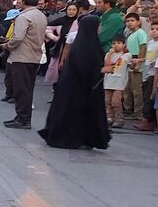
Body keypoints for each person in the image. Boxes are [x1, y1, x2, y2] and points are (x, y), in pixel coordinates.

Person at [37, 13, 110, 149]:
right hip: (82, 89)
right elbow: (88, 68)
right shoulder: (89, 47)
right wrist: (102, 70)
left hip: (73, 88)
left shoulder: (81, 44)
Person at [2, 0, 48, 129]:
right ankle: (23, 116)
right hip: (34, 55)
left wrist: (7, 45)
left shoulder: (24, 17)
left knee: (21, 89)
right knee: (28, 88)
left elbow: (17, 37)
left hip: (22, 56)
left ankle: (23, 118)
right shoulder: (41, 16)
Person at [103, 36, 131, 128]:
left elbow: (130, 66)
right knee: (107, 101)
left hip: (119, 82)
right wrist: (110, 53)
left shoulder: (126, 55)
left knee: (116, 101)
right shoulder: (108, 54)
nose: (116, 45)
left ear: (123, 45)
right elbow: (106, 65)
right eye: (114, 43)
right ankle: (109, 117)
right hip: (108, 81)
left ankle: (119, 118)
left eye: (119, 43)